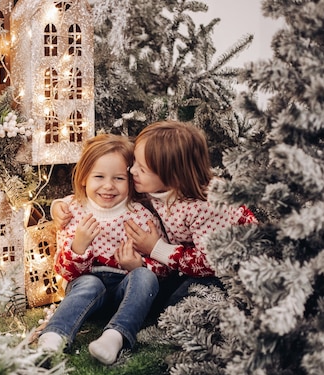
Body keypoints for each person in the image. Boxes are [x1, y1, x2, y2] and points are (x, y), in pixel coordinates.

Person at [52, 121, 257, 316]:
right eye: (134, 164)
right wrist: (59, 206)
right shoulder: (156, 187)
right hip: (188, 261)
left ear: (171, 176)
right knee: (161, 296)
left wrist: (155, 248)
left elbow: (211, 264)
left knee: (177, 306)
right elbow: (104, 194)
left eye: (141, 169)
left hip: (232, 268)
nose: (132, 172)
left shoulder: (208, 206)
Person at [37, 134, 167, 365]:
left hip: (125, 294)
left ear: (131, 180)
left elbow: (163, 269)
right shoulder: (72, 211)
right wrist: (79, 245)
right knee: (90, 283)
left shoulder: (141, 217)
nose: (108, 186)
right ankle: (54, 335)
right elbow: (65, 272)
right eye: (99, 176)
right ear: (85, 177)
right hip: (86, 290)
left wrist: (139, 266)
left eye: (118, 178)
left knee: (145, 277)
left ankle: (114, 337)